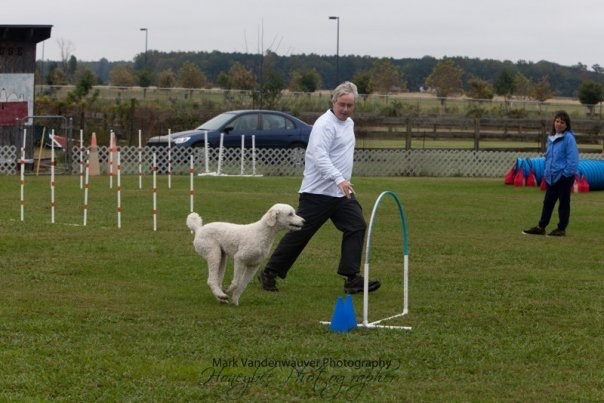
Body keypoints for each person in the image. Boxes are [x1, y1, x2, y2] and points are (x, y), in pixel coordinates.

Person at [258, 81, 381, 294]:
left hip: (341, 193)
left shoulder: (349, 124)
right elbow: (319, 155)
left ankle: (351, 278)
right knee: (300, 233)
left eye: (349, 105)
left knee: (356, 226)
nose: (345, 109)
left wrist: (343, 182)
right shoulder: (324, 124)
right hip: (317, 193)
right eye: (341, 104)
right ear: (333, 102)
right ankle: (269, 272)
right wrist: (338, 178)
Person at [523, 110, 579, 237]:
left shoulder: (569, 138)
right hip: (551, 177)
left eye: (562, 122)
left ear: (566, 125)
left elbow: (573, 159)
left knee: (564, 203)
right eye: (557, 121)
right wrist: (546, 173)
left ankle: (561, 229)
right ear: (554, 122)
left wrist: (566, 175)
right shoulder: (551, 138)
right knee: (547, 202)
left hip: (564, 177)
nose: (559, 124)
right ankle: (541, 227)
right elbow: (549, 157)